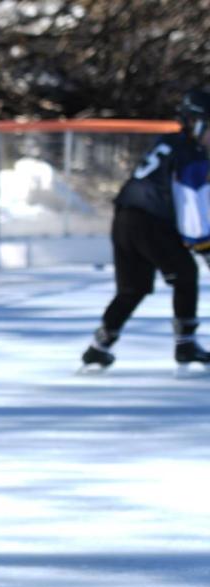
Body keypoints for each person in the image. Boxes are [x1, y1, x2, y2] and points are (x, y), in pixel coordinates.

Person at [80, 88, 210, 374]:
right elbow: (191, 203)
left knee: (132, 288)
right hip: (150, 222)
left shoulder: (169, 141)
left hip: (125, 218)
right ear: (195, 122)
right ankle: (186, 344)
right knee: (186, 274)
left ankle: (98, 348)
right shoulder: (192, 153)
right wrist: (203, 244)